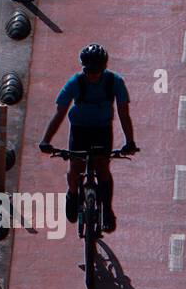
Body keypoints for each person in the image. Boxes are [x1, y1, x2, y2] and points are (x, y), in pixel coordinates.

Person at [38, 43, 137, 232]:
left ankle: (107, 210)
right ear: (84, 68)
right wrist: (46, 140)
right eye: (89, 70)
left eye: (97, 70)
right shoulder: (75, 82)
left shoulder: (115, 82)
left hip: (102, 130)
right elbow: (60, 113)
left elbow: (124, 114)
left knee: (103, 169)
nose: (93, 75)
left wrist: (129, 142)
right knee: (75, 168)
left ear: (104, 68)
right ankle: (73, 194)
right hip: (80, 129)